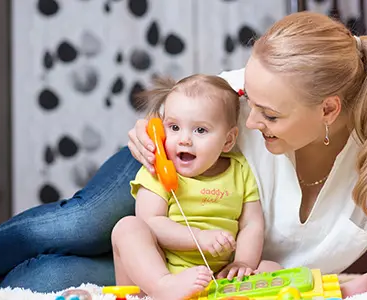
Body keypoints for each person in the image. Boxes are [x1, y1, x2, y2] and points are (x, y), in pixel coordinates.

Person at [0, 11, 367, 296]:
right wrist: (155, 128)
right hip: (171, 175)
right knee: (79, 226)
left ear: (328, 109)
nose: (250, 121)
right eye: (248, 101)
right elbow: (188, 109)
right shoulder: (243, 100)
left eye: (270, 115)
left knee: (54, 275)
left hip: (196, 272)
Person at [112, 74, 267, 300]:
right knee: (127, 227)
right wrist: (199, 238)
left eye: (200, 130)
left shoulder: (240, 171)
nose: (184, 139)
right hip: (156, 274)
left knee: (270, 266)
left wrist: (242, 262)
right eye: (174, 127)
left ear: (228, 140)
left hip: (215, 279)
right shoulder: (158, 170)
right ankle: (163, 287)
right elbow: (151, 222)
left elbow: (252, 224)